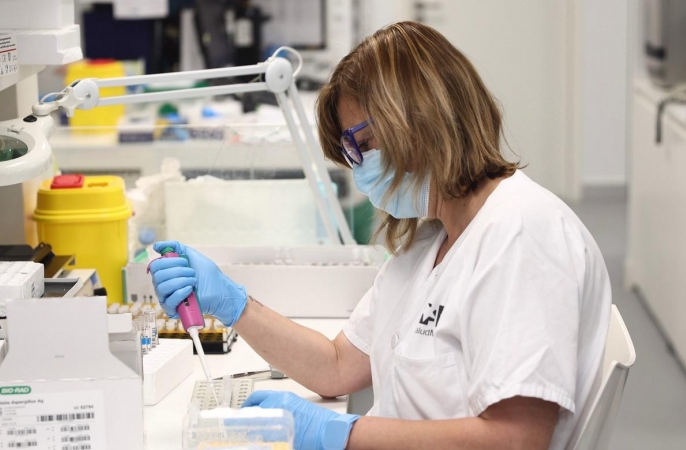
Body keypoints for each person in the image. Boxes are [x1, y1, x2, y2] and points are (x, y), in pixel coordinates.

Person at [149, 21, 611, 450]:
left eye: (365, 143)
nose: (361, 167)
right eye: (353, 152)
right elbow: (336, 367)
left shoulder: (522, 233)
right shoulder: (433, 240)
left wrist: (341, 434)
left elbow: (516, 439)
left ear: (425, 116)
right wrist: (234, 305)